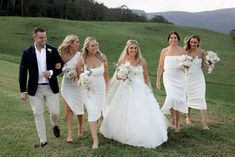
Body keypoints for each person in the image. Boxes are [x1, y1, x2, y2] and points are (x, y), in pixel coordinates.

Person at [100, 39, 168, 148]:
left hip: (140, 88)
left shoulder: (142, 61)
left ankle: (143, 132)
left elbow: (145, 78)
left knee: (141, 110)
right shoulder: (122, 60)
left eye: (135, 48)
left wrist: (147, 91)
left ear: (138, 49)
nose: (133, 50)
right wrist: (124, 74)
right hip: (125, 88)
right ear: (127, 48)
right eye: (131, 48)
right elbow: (117, 76)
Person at [19, 27, 62, 148]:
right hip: (35, 89)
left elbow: (60, 66)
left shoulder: (52, 50)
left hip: (50, 87)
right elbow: (22, 72)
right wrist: (23, 91)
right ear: (34, 37)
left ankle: (54, 124)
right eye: (41, 37)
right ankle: (43, 141)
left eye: (45, 37)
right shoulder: (27, 52)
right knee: (38, 113)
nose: (44, 39)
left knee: (55, 112)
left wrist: (52, 72)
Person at [80, 37, 109, 149]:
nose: (95, 47)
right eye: (92, 46)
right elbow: (79, 72)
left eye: (96, 45)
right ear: (87, 47)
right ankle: (95, 140)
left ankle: (94, 129)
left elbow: (105, 74)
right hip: (88, 91)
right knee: (92, 112)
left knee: (97, 112)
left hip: (100, 89)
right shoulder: (82, 59)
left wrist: (107, 87)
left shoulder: (102, 57)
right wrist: (82, 80)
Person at [156, 31, 187, 132]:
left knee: (177, 99)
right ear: (168, 40)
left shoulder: (183, 51)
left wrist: (187, 66)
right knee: (171, 97)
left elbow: (186, 67)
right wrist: (158, 80)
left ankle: (177, 123)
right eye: (171, 38)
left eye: (175, 38)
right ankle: (173, 120)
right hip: (168, 78)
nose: (173, 40)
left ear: (178, 39)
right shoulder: (164, 51)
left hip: (180, 78)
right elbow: (160, 67)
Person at [58, 35, 84, 143]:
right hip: (67, 85)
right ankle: (69, 134)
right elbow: (57, 67)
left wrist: (77, 74)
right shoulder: (62, 54)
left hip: (77, 84)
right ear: (70, 43)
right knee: (68, 108)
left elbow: (82, 71)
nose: (78, 44)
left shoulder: (80, 56)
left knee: (79, 108)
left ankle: (80, 125)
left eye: (78, 42)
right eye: (76, 42)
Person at [184, 34, 209, 130]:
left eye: (195, 42)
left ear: (198, 43)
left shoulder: (202, 52)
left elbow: (204, 66)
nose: (193, 44)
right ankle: (188, 116)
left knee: (201, 97)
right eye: (191, 42)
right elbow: (182, 65)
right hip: (188, 78)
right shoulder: (186, 51)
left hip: (199, 78)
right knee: (189, 97)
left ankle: (204, 122)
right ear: (189, 42)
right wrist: (185, 66)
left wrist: (210, 63)